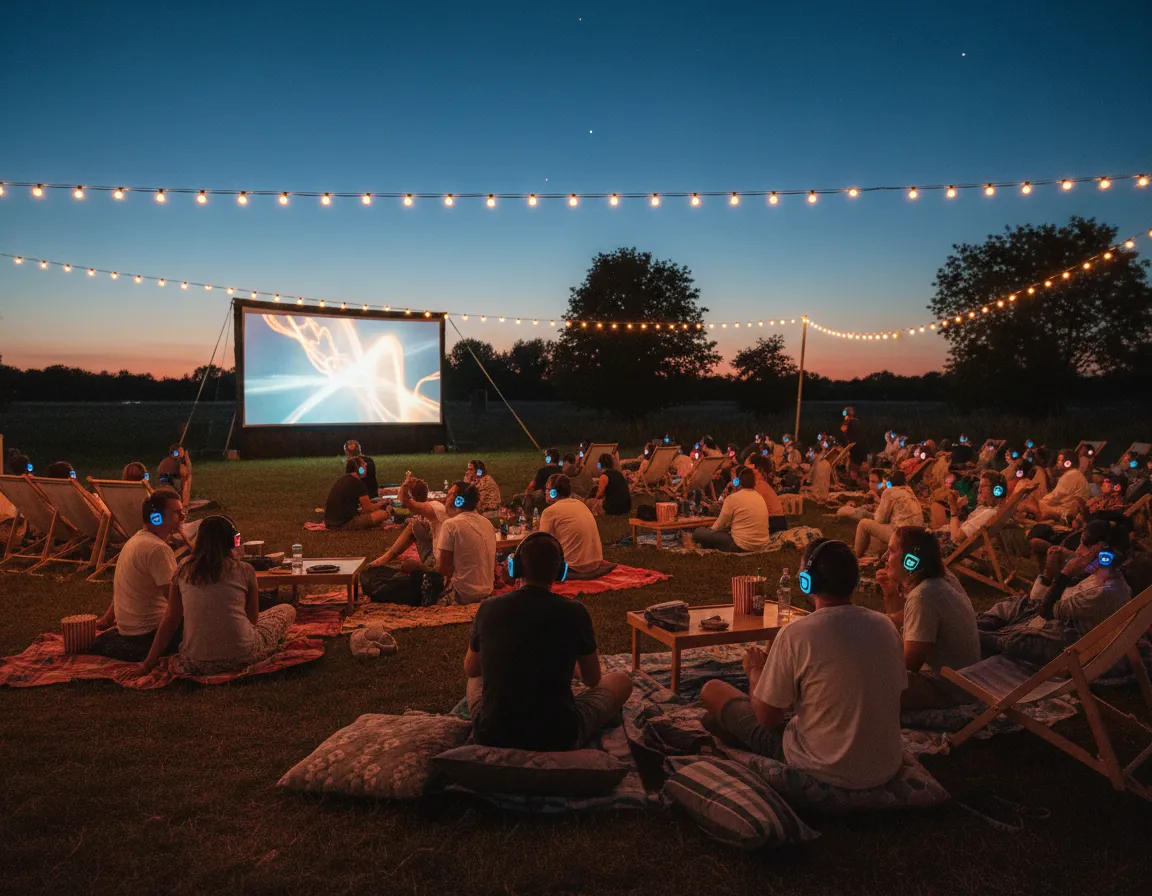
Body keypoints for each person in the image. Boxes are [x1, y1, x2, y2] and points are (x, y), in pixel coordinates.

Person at [700, 539, 906, 789]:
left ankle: (726, 733)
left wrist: (756, 671)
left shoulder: (797, 634)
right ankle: (723, 727)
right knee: (713, 720)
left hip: (823, 766)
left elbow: (768, 719)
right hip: (885, 765)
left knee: (712, 691)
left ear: (807, 581)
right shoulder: (886, 626)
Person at [464, 531, 633, 751]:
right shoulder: (576, 612)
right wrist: (568, 663)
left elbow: (471, 668)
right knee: (621, 681)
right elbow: (592, 680)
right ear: (561, 571)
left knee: (474, 680)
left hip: (492, 734)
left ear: (516, 568)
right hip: (558, 737)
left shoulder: (489, 607)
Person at [135, 516, 296, 677]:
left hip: (195, 662)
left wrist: (148, 663)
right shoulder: (245, 570)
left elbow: (171, 618)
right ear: (232, 541)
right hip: (242, 655)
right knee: (287, 609)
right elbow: (253, 619)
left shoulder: (183, 568)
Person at [977, 520, 1131, 666]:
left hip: (1066, 648)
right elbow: (1039, 599)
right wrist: (1048, 574)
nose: (1078, 551)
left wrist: (1065, 574)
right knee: (1014, 604)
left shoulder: (1101, 592)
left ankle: (974, 637)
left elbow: (1046, 611)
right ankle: (982, 626)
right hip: (1056, 624)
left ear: (1102, 552)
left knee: (1005, 639)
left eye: (1084, 544)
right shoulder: (1100, 578)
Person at [876, 527, 979, 709]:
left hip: (949, 691)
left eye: (891, 550)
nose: (884, 557)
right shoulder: (939, 581)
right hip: (962, 681)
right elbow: (904, 630)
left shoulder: (924, 596)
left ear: (910, 561)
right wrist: (891, 594)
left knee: (867, 677)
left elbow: (908, 667)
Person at [91, 489, 183, 662]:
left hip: (129, 630)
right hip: (149, 634)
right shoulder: (158, 550)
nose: (183, 518)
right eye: (178, 513)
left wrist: (108, 618)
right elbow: (176, 603)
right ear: (157, 518)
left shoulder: (134, 541)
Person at [540, 474, 615, 579]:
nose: (545, 492)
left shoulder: (549, 512)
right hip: (595, 563)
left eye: (547, 489)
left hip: (573, 566)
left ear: (553, 493)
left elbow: (542, 543)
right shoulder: (580, 504)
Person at [366, 477, 446, 568]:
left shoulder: (435, 508)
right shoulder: (420, 518)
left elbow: (407, 502)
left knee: (408, 568)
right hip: (434, 555)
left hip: (440, 563)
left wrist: (404, 489)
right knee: (414, 525)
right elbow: (392, 552)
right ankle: (382, 561)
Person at [932, 471, 1011, 556]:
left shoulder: (990, 513)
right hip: (948, 538)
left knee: (935, 507)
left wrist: (953, 510)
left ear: (997, 491)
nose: (979, 490)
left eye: (983, 486)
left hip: (947, 546)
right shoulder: (989, 509)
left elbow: (956, 539)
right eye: (979, 486)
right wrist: (957, 507)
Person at [693, 466, 770, 552]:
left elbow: (717, 527)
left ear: (739, 482)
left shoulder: (733, 498)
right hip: (762, 544)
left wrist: (708, 532)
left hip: (740, 545)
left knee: (698, 532)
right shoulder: (760, 497)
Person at [852, 470, 923, 558]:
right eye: (870, 481)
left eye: (874, 481)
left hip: (902, 535)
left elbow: (879, 519)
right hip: (916, 535)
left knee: (863, 523)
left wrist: (876, 500)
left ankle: (855, 558)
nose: (871, 484)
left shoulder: (888, 490)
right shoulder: (909, 491)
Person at [323, 457, 391, 530]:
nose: (366, 465)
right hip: (343, 524)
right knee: (382, 514)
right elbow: (368, 509)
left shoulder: (343, 479)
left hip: (330, 522)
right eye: (364, 464)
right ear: (360, 469)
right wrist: (383, 503)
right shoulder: (357, 483)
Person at [1023, 451, 1090, 521]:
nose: (1057, 463)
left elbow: (1056, 496)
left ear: (1067, 463)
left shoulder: (1071, 474)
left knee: (1033, 504)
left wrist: (1039, 501)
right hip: (1067, 508)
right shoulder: (1073, 474)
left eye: (1059, 460)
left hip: (1067, 511)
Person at [746, 455, 787, 533]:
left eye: (748, 464)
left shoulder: (758, 483)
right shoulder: (760, 482)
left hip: (773, 523)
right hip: (777, 521)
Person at [840, 407, 869, 481]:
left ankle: (855, 481)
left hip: (855, 447)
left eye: (844, 413)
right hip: (861, 446)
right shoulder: (857, 421)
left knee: (853, 466)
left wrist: (846, 420)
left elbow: (843, 429)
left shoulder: (849, 421)